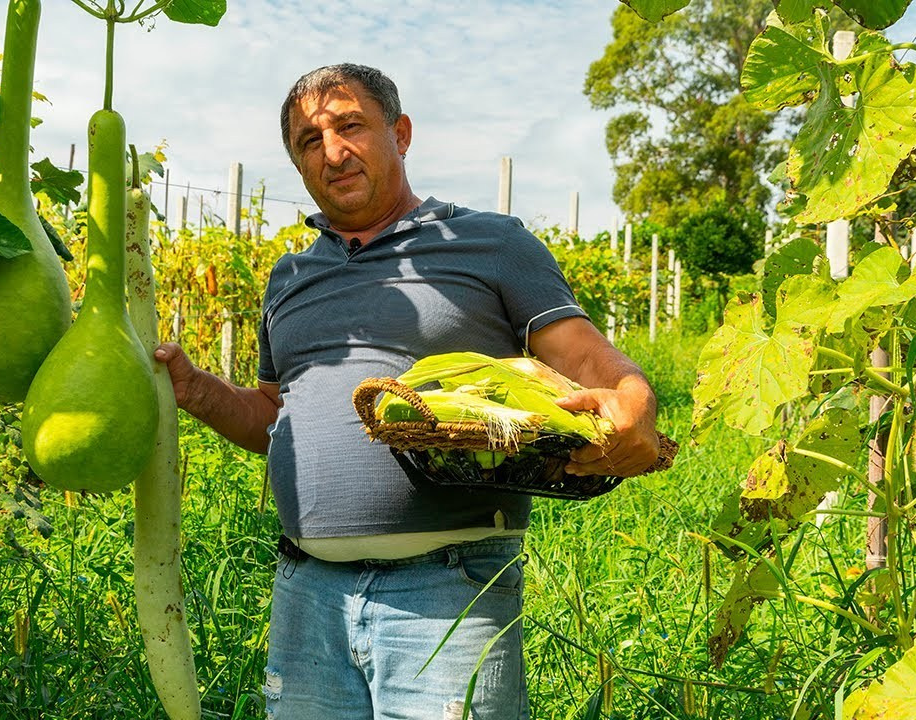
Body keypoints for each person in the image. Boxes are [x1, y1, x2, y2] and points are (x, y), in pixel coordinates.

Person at [154, 63, 659, 720]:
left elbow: (587, 356)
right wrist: (196, 390)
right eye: (309, 141)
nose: (332, 152)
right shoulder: (289, 277)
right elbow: (275, 417)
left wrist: (635, 400)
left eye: (349, 126)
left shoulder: (489, 244)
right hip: (308, 593)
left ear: (400, 133)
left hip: (447, 587)